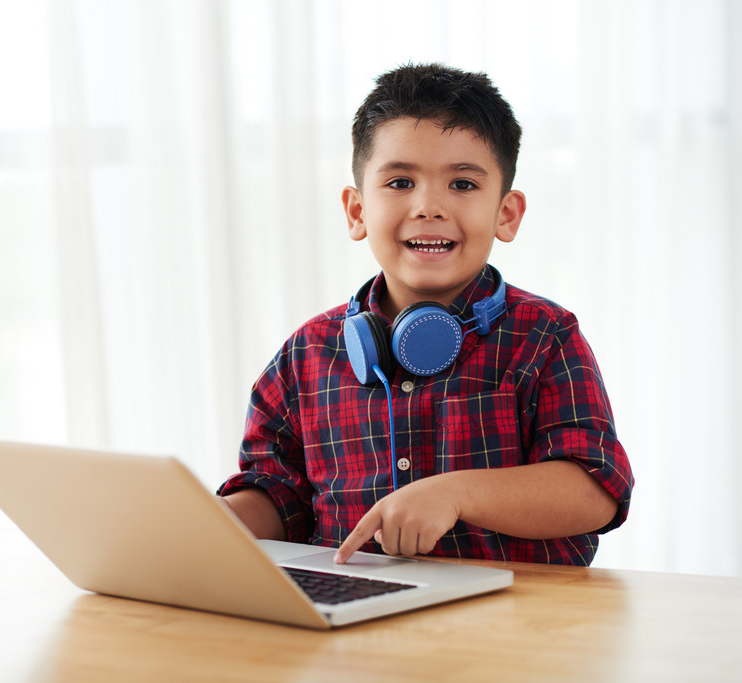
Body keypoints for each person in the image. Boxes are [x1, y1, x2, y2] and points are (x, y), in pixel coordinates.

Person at [217, 63, 634, 566]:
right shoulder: (306, 354)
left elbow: (594, 489)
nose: (428, 206)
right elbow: (277, 496)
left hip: (518, 625)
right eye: (399, 182)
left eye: (462, 184)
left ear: (506, 214)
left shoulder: (546, 337)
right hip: (356, 621)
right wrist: (217, 520)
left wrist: (455, 495)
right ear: (357, 212)